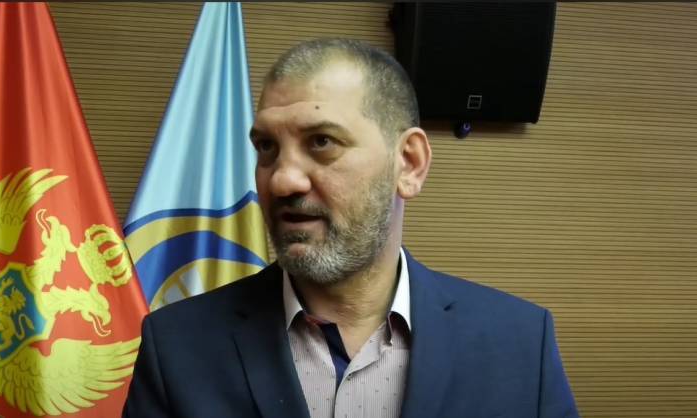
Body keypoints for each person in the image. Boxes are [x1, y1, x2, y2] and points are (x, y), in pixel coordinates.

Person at [122, 38, 579, 418]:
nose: (281, 180)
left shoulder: (520, 344)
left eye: (321, 142)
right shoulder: (177, 346)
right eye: (267, 147)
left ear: (409, 164)